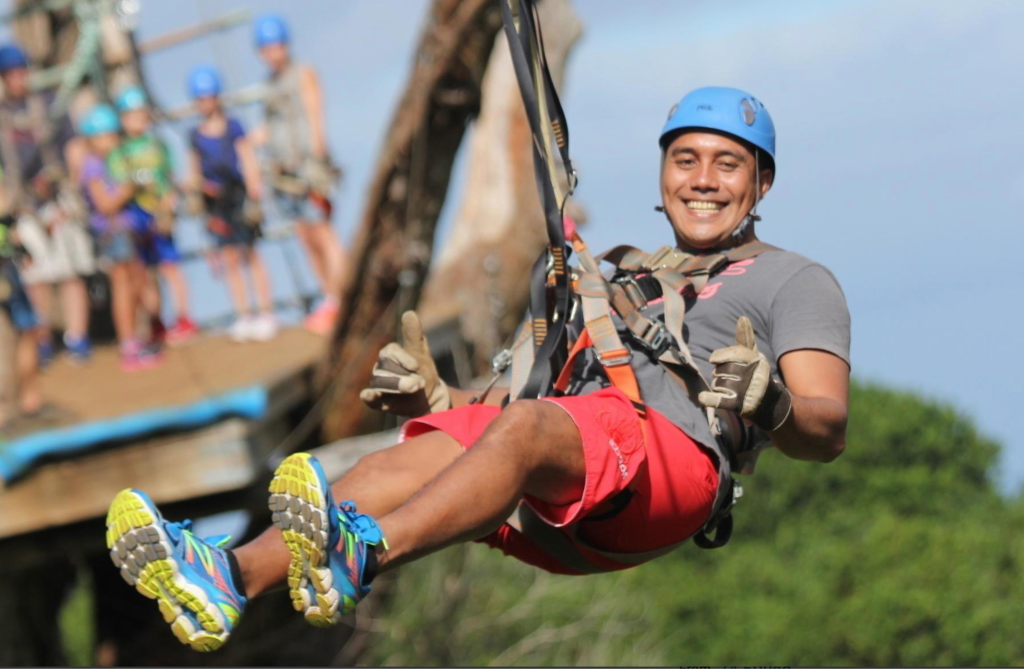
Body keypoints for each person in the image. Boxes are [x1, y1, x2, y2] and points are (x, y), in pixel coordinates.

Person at [104, 87, 851, 652]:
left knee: (523, 429)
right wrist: (441, 398)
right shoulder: (621, 274)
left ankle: (362, 552)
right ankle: (228, 577)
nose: (704, 179)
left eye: (728, 164)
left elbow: (828, 430)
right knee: (405, 457)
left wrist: (772, 403)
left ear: (761, 183)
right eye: (686, 160)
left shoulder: (791, 279)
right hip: (574, 473)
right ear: (663, 174)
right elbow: (541, 406)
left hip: (670, 470)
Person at [252, 13, 347, 335]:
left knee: (323, 232)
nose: (272, 53)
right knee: (306, 236)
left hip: (308, 169)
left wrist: (318, 162)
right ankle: (330, 297)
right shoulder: (269, 86)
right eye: (266, 48)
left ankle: (343, 295)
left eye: (276, 46)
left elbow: (315, 115)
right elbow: (273, 127)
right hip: (284, 176)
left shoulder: (303, 74)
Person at [0, 43, 94, 365]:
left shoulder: (50, 104)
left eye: (20, 71)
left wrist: (72, 190)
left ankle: (78, 338)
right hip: (23, 206)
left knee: (70, 271)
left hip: (58, 199)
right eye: (10, 74)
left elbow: (74, 147)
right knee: (35, 276)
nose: (17, 79)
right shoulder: (2, 116)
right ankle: (43, 341)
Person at [185, 65, 276, 343]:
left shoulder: (234, 126)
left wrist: (255, 194)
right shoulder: (194, 135)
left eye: (208, 97)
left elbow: (247, 158)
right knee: (229, 258)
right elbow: (193, 172)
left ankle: (266, 312)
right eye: (200, 99)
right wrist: (198, 192)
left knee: (251, 253)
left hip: (238, 196)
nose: (205, 103)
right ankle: (243, 314)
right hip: (215, 204)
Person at [108, 85, 198, 346]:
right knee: (144, 272)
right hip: (136, 216)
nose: (138, 119)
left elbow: (169, 177)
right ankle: (156, 321)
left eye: (141, 113)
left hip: (159, 213)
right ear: (123, 119)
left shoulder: (159, 145)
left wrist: (169, 203)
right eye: (132, 114)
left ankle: (183, 318)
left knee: (170, 265)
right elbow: (118, 184)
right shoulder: (119, 152)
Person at [79, 104, 162, 372]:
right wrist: (128, 189)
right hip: (112, 232)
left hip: (128, 229)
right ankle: (128, 342)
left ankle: (138, 336)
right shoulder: (93, 166)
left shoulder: (115, 160)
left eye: (113, 135)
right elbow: (104, 204)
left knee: (138, 281)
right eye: (105, 135)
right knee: (123, 285)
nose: (111, 141)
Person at [0, 208, 42, 429]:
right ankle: (24, 398)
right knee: (17, 336)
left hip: (7, 269)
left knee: (25, 334)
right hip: (6, 270)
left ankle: (27, 397)